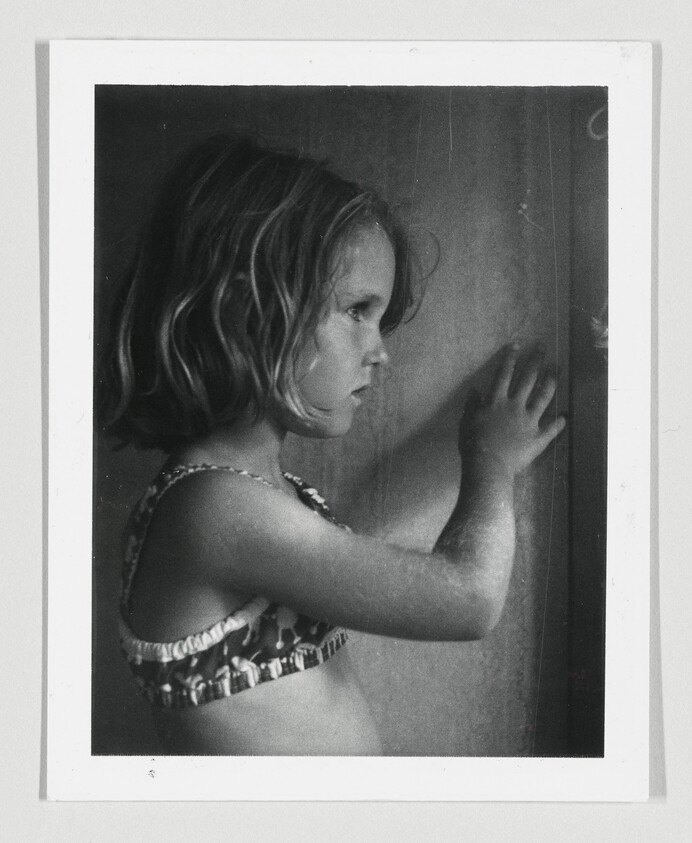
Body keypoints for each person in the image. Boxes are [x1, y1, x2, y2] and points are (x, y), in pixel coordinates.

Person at [97, 134, 565, 756]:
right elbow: (468, 601)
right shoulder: (213, 508)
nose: (380, 351)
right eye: (356, 311)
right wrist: (491, 462)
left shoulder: (264, 495)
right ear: (248, 308)